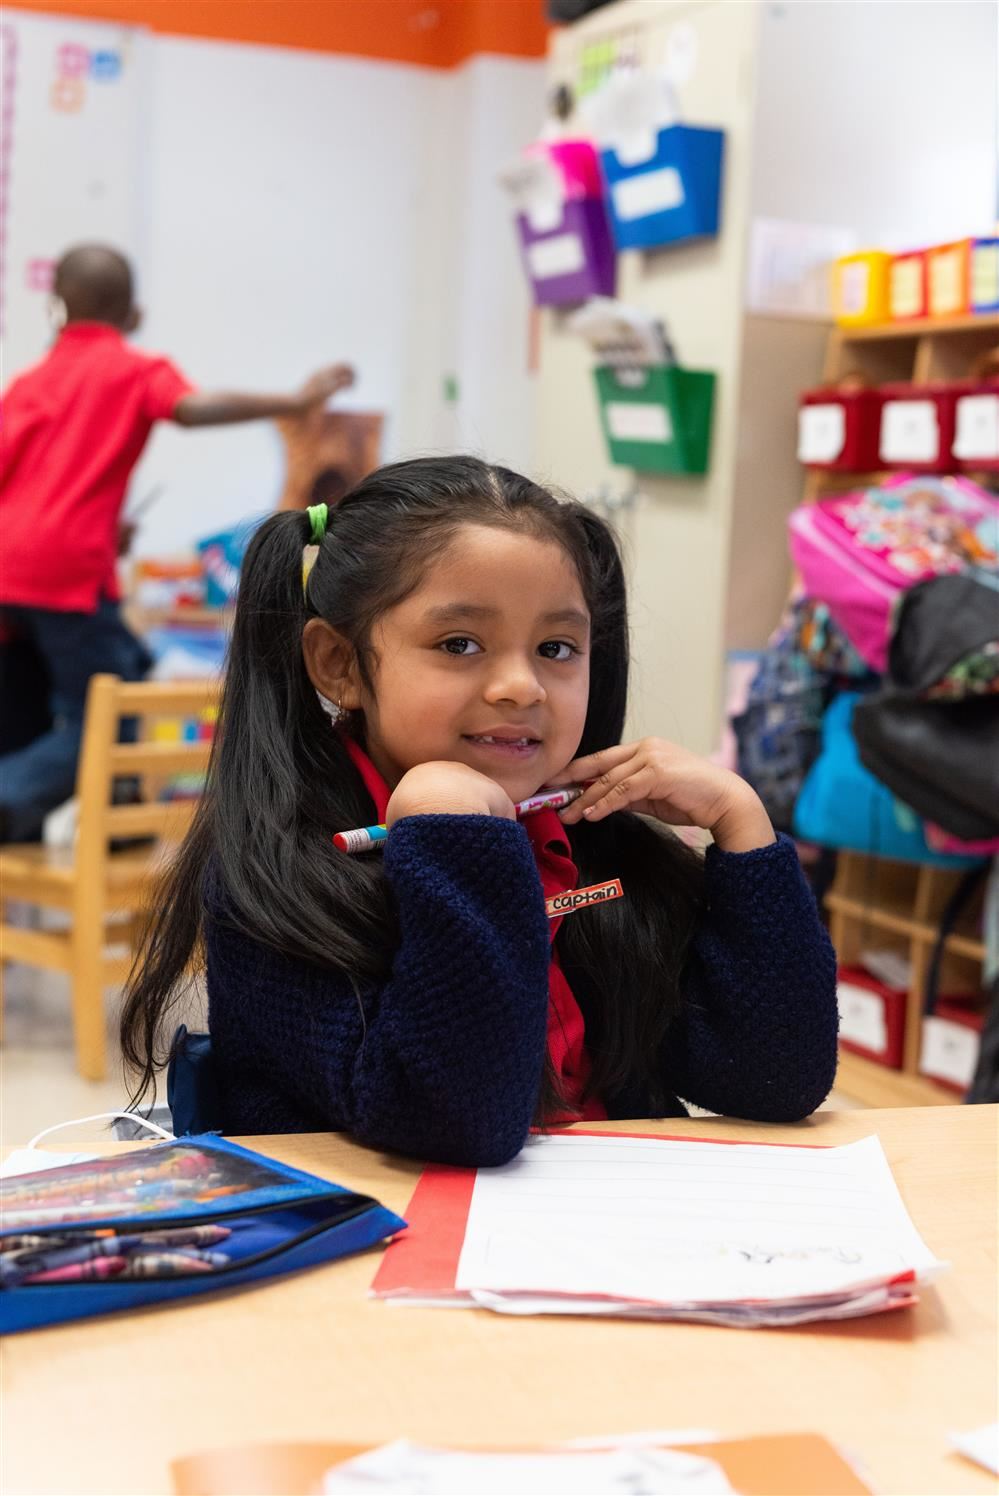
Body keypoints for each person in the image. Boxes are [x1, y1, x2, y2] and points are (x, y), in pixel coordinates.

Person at [120, 456, 839, 1165]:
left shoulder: (600, 853)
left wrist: (743, 827)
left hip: (609, 1239)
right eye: (458, 644)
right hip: (384, 1255)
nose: (520, 686)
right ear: (340, 665)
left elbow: (774, 1081)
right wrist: (454, 836)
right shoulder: (279, 878)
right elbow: (459, 1124)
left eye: (556, 647)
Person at [0, 243, 354, 842]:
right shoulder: (131, 367)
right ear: (132, 313)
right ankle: (39, 805)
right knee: (112, 715)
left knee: (28, 703)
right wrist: (295, 402)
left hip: (11, 569)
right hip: (64, 573)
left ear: (57, 309)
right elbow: (191, 407)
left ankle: (82, 821)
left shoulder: (30, 383)